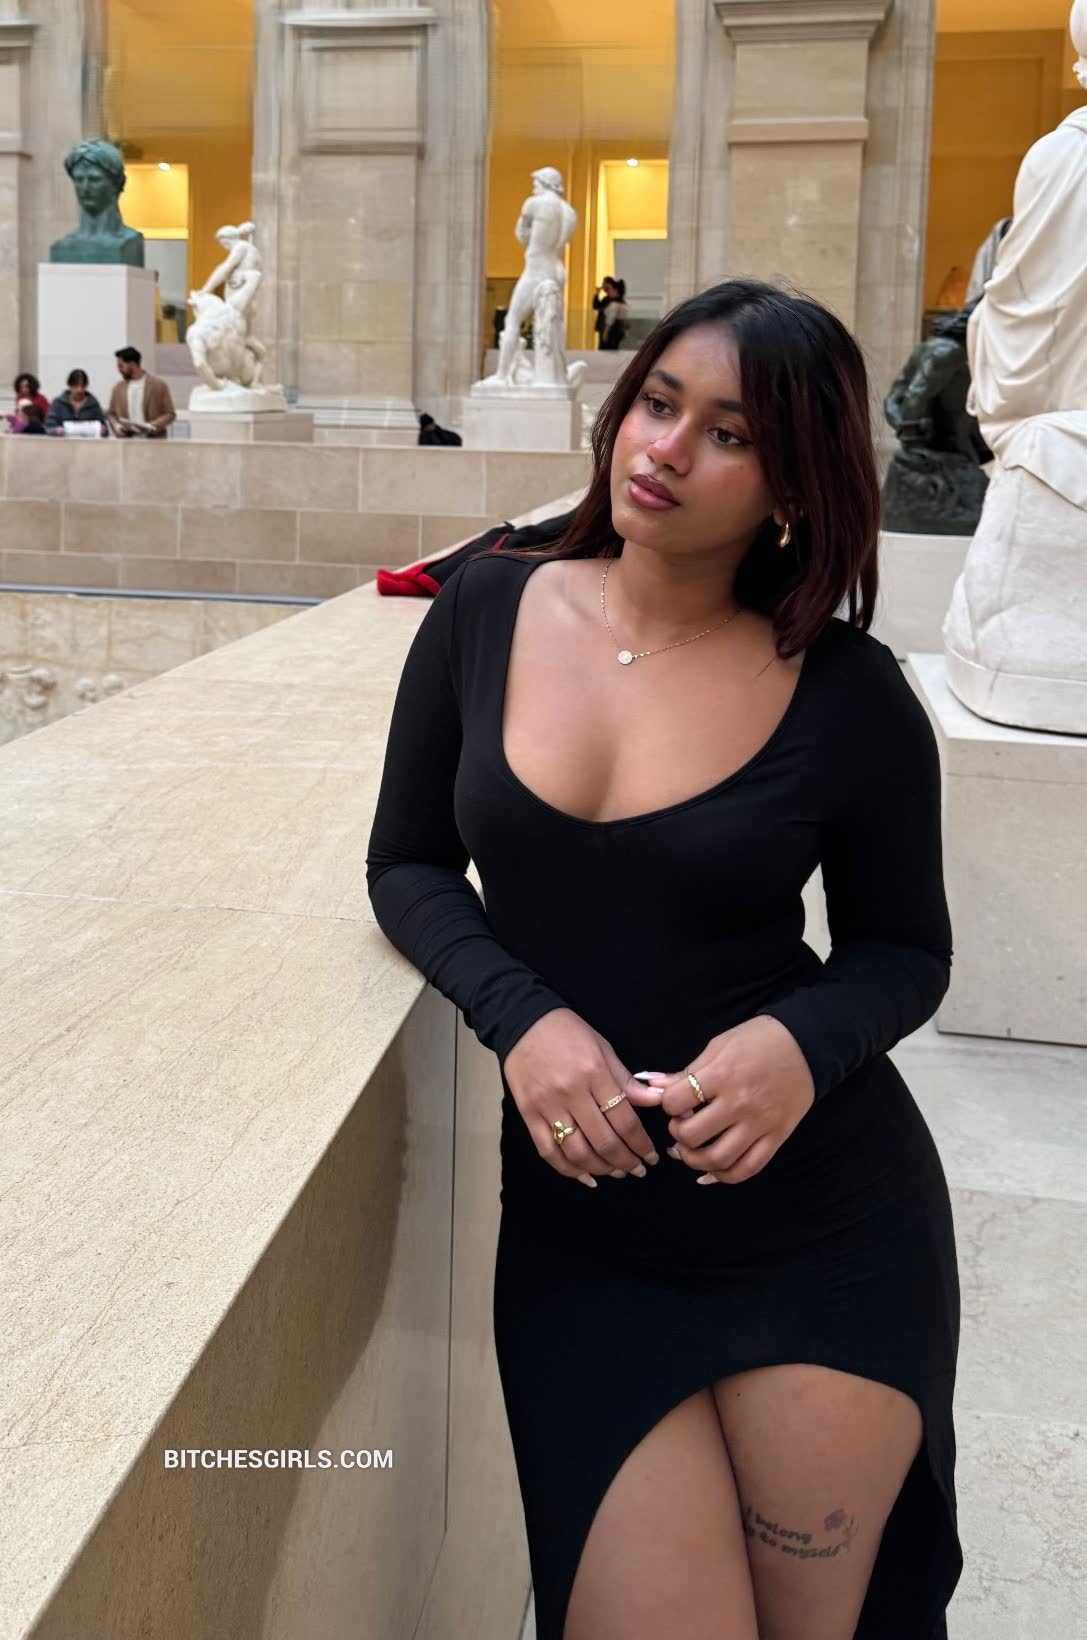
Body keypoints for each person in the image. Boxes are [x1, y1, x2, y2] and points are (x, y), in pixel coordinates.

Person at [366, 278, 961, 1640]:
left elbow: (902, 949)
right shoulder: (483, 608)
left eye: (729, 433)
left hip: (823, 1231)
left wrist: (796, 1045)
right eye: (657, 401)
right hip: (589, 1243)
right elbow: (404, 864)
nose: (666, 448)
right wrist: (521, 1017)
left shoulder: (848, 693)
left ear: (792, 487)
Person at [108, 346, 176, 438]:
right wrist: (117, 426)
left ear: (132, 364)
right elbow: (111, 414)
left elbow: (170, 414)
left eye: (121, 366)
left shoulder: (159, 385)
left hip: (154, 440)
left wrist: (153, 425)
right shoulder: (118, 388)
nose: (119, 370)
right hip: (127, 441)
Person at [44, 369, 107, 433]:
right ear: (69, 386)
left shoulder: (93, 404)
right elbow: (49, 426)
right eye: (76, 386)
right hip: (62, 438)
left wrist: (102, 429)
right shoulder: (58, 403)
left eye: (83, 386)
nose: (79, 390)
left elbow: (103, 426)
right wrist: (56, 430)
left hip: (87, 439)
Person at [594, 276, 630, 350]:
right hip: (617, 332)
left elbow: (610, 320)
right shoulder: (623, 303)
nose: (608, 291)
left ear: (615, 290)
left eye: (610, 289)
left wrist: (605, 333)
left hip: (612, 333)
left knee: (606, 350)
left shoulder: (614, 304)